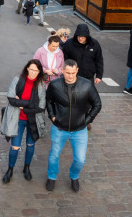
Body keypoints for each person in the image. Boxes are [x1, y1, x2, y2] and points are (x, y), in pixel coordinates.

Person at [45, 59, 102, 193]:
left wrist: (87, 120)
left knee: (80, 159)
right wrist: (52, 116)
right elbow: (49, 101)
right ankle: (51, 177)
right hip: (59, 128)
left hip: (80, 130)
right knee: (54, 155)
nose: (70, 76)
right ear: (62, 71)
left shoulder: (87, 84)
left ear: (77, 71)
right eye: (67, 73)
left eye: (73, 73)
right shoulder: (54, 85)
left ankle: (74, 176)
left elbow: (97, 104)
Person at [0, 59, 47, 183]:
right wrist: (30, 104)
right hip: (18, 119)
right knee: (15, 147)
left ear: (39, 72)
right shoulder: (18, 79)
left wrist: (23, 106)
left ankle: (27, 167)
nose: (33, 73)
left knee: (30, 145)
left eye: (36, 71)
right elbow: (11, 99)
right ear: (27, 68)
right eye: (31, 69)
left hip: (33, 120)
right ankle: (10, 169)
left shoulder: (41, 85)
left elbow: (41, 107)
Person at [61, 23, 104, 90]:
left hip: (89, 76)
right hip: (73, 76)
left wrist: (99, 75)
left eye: (83, 37)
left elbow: (99, 60)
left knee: (89, 95)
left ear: (87, 36)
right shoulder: (69, 44)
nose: (80, 39)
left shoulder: (94, 44)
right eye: (79, 36)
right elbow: (64, 60)